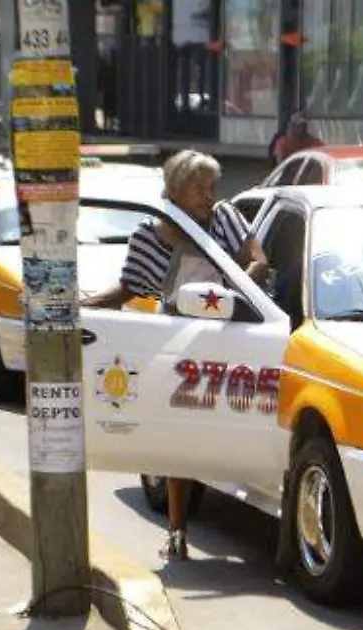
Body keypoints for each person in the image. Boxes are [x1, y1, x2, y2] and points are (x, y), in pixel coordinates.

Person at [83, 150, 268, 561]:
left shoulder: (226, 218)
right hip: (179, 343)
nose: (208, 196)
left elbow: (259, 260)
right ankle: (177, 530)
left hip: (235, 333)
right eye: (198, 188)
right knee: (179, 439)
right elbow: (129, 287)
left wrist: (237, 291)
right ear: (173, 190)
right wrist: (87, 306)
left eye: (211, 187)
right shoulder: (147, 236)